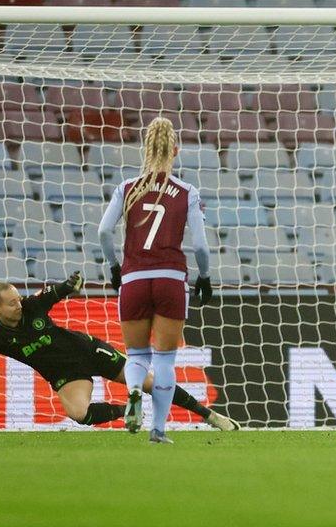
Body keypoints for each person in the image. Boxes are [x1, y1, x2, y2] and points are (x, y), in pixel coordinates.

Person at [0, 273, 238, 431]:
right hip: (64, 375)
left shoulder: (33, 306)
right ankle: (127, 412)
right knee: (79, 415)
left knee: (152, 383)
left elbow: (55, 292)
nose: (20, 303)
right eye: (12, 302)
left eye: (19, 298)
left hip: (87, 351)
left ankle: (211, 416)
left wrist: (70, 284)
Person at [98, 117, 214, 444]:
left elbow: (103, 231)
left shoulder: (126, 188)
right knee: (164, 358)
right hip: (170, 278)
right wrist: (204, 276)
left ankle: (134, 391)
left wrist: (113, 266)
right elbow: (201, 245)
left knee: (136, 355)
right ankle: (158, 430)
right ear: (175, 151)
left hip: (134, 277)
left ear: (145, 150)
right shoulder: (186, 191)